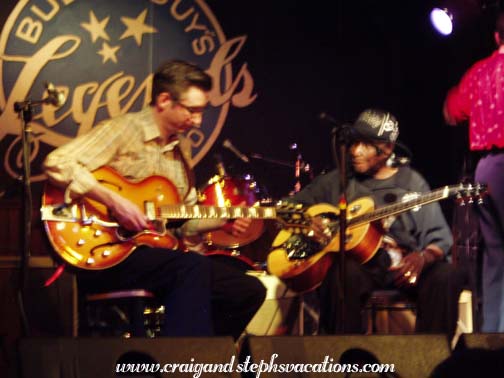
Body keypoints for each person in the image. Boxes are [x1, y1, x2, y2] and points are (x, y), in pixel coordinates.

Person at [43, 60, 266, 339]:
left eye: (201, 112)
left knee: (248, 291)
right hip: (106, 251)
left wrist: (220, 221)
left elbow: (180, 224)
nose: (197, 121)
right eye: (192, 110)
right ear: (164, 100)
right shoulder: (125, 130)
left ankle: (202, 357)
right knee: (190, 267)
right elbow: (56, 163)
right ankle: (184, 362)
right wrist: (114, 201)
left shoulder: (180, 152)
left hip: (151, 253)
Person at [287, 108, 466, 338]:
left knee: (446, 276)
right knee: (342, 274)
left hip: (405, 267)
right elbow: (290, 206)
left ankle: (430, 359)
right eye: (353, 143)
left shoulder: (411, 181)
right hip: (362, 267)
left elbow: (438, 237)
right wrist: (308, 222)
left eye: (365, 144)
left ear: (387, 149)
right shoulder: (337, 181)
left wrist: (423, 257)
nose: (355, 151)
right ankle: (346, 360)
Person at [443, 12, 504, 332]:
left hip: (485, 170)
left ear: (496, 38)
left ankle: (494, 339)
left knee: (495, 257)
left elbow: (452, 109)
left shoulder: (479, 72)